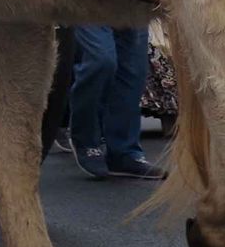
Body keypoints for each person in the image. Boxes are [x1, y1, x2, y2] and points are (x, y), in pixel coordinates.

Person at [69, 24, 165, 179]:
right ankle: (86, 139)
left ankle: (123, 152)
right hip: (90, 3)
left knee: (133, 70)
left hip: (134, 4)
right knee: (101, 60)